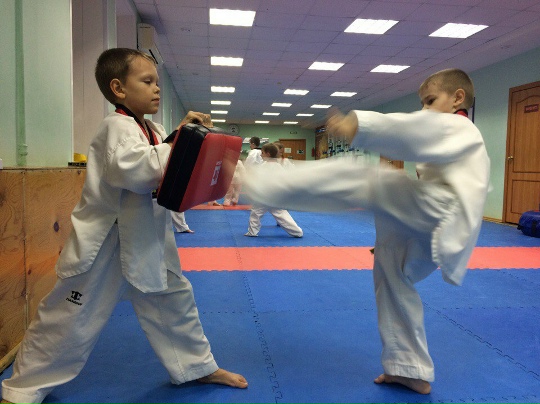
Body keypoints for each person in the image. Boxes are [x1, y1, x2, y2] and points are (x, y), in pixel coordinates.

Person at [1, 48, 247, 404]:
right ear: (118, 88)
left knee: (174, 301)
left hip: (148, 236)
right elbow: (135, 170)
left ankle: (196, 367)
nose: (157, 88)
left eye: (157, 82)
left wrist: (183, 136)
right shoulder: (114, 126)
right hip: (106, 241)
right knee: (70, 315)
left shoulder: (152, 128)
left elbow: (161, 160)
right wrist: (186, 142)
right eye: (147, 81)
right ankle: (22, 390)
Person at [244, 68, 490, 394]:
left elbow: (415, 130)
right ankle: (408, 367)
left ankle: (252, 183)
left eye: (430, 101)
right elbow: (422, 136)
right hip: (439, 220)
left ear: (458, 98)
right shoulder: (457, 133)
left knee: (365, 178)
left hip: (443, 209)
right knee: (391, 273)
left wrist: (357, 126)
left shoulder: (460, 125)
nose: (425, 109)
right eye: (422, 103)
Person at [244, 143, 303, 238]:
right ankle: (297, 232)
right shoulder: (279, 167)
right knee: (282, 215)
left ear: (268, 154)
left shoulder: (262, 166)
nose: (261, 155)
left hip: (263, 196)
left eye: (262, 153)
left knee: (255, 214)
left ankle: (252, 232)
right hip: (276, 196)